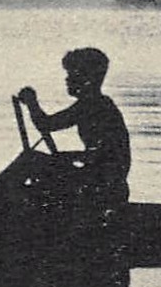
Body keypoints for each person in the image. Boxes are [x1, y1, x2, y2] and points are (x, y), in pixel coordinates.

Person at [15, 47, 132, 207]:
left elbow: (107, 156)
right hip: (103, 184)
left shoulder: (95, 106)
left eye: (72, 74)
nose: (67, 80)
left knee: (32, 160)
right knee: (36, 164)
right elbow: (47, 125)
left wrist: (31, 102)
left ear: (87, 78)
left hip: (106, 188)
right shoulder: (91, 104)